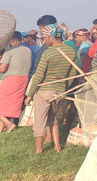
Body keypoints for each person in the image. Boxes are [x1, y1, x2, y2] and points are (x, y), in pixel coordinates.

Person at [24, 24, 76, 154]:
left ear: (51, 37)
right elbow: (72, 73)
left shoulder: (48, 53)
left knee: (40, 121)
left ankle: (39, 150)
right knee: (53, 119)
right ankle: (57, 147)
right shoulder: (71, 51)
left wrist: (29, 94)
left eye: (44, 38)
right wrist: (64, 88)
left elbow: (39, 76)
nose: (44, 41)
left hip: (45, 91)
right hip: (60, 92)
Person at [0, 32, 33, 133]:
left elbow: (2, 69)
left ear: (12, 40)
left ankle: (9, 124)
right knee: (9, 106)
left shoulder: (9, 52)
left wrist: (0, 61)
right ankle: (1, 132)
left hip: (12, 80)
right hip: (24, 79)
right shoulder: (28, 50)